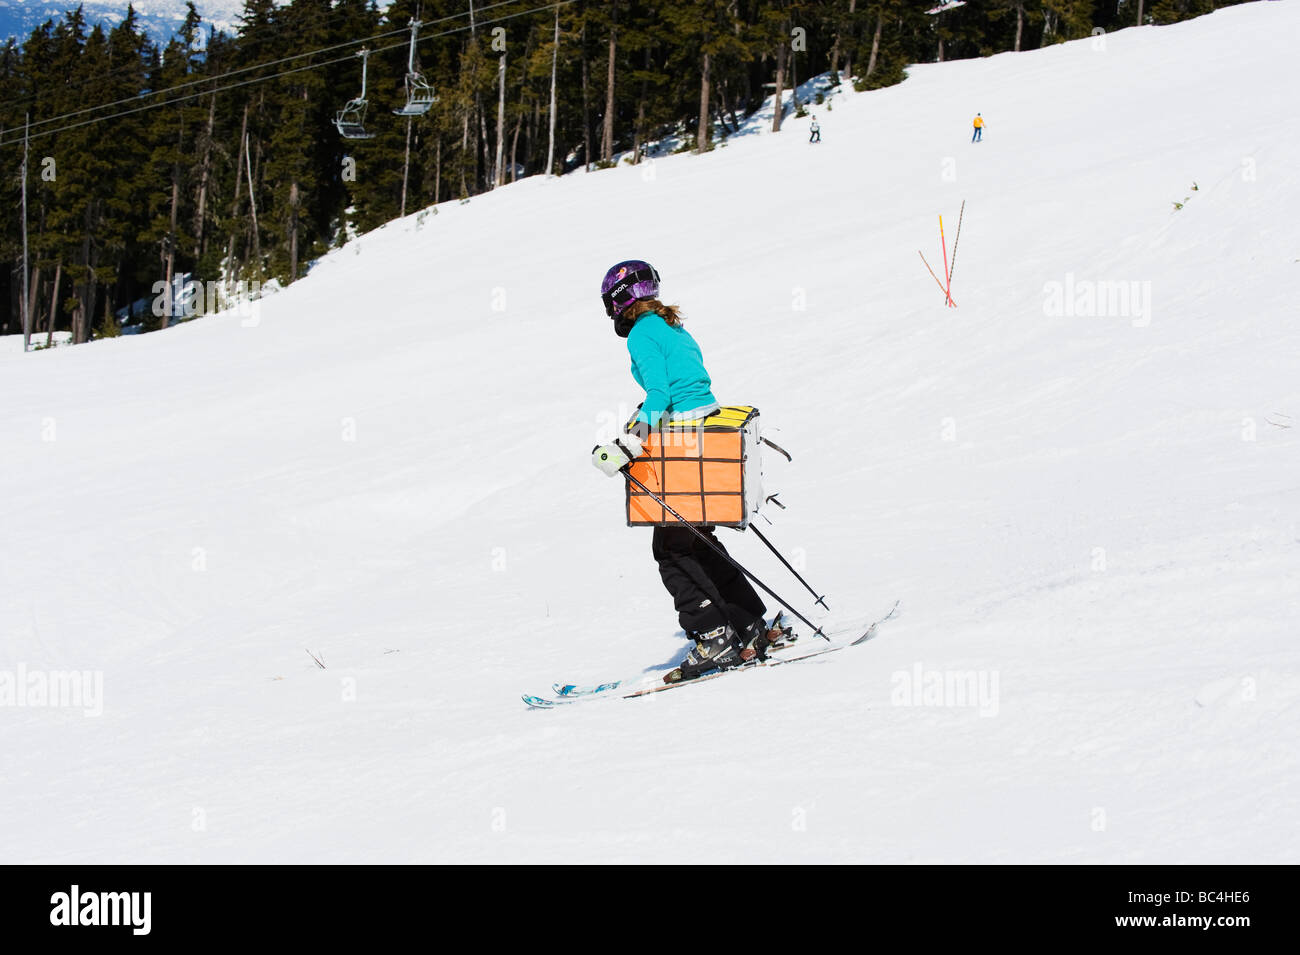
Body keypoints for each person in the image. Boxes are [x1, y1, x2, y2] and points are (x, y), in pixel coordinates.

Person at [591, 260, 779, 681]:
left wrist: (632, 440)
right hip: (704, 428)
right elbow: (687, 384)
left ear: (619, 301)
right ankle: (748, 624)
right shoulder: (670, 325)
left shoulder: (641, 334)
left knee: (673, 549)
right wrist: (642, 420)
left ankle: (713, 636)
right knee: (696, 540)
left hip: (683, 438)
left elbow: (660, 392)